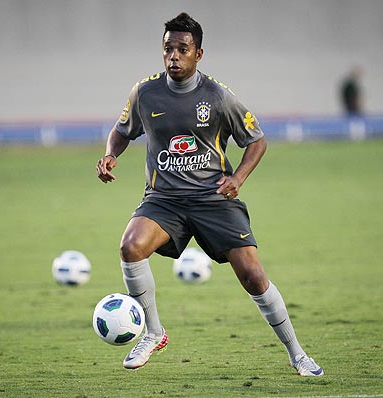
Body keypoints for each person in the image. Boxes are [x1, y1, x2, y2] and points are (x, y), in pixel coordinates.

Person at [96, 12, 323, 377]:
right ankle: (153, 332)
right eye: (168, 49)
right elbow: (122, 130)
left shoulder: (218, 97)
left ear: (198, 54)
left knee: (252, 275)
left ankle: (297, 353)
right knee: (130, 247)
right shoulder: (145, 92)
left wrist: (239, 179)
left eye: (182, 49)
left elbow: (257, 140)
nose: (174, 56)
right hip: (164, 199)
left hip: (213, 199)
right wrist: (110, 154)